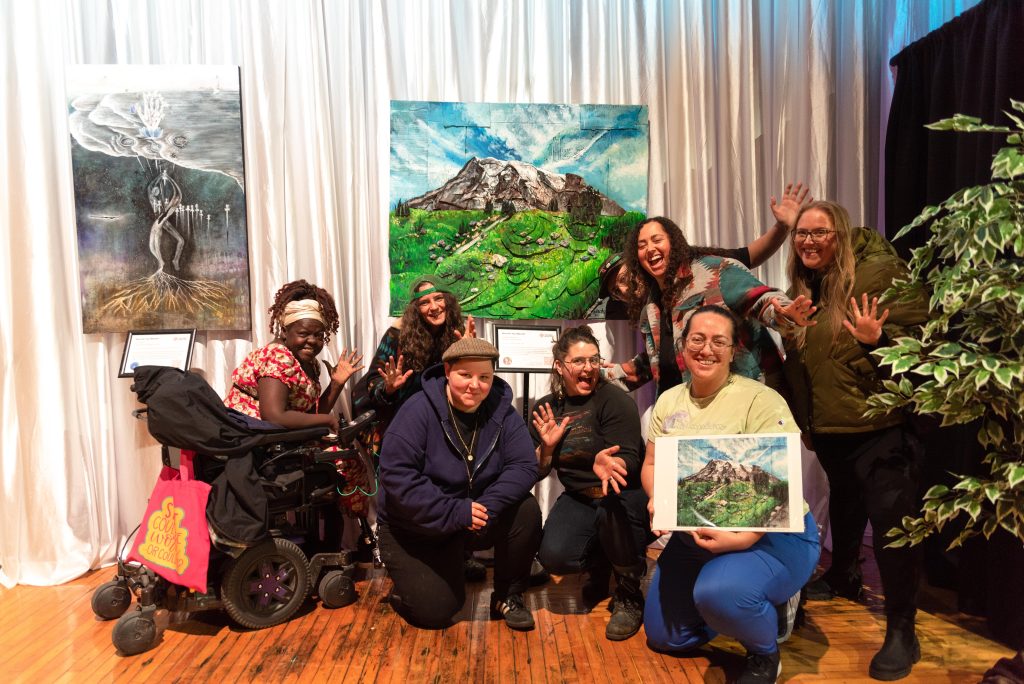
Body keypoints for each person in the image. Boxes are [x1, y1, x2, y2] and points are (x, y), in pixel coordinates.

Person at [780, 200, 929, 681]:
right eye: (801, 233)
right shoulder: (808, 285)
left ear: (839, 234)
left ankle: (903, 629)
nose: (807, 241)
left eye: (818, 232)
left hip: (879, 426)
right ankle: (844, 575)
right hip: (831, 426)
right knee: (844, 501)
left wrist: (876, 340)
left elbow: (923, 347)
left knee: (892, 526)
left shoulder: (880, 272)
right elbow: (807, 362)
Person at [642, 306, 820, 684]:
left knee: (720, 592)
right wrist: (658, 497)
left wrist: (742, 537)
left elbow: (782, 483)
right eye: (698, 339)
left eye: (718, 341)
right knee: (667, 637)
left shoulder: (759, 399)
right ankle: (734, 605)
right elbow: (653, 464)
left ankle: (763, 650)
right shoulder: (669, 401)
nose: (707, 349)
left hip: (775, 532)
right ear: (683, 346)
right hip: (698, 532)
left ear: (733, 349)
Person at [376, 337, 542, 631]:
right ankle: (414, 579)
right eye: (465, 375)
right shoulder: (417, 410)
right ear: (448, 370)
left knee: (525, 510)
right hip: (414, 529)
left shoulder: (501, 410)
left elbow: (524, 464)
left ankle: (508, 596)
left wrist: (485, 506)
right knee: (437, 612)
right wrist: (455, 511)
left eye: (484, 377)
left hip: (468, 518)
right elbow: (397, 476)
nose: (475, 385)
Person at [610, 183, 817, 397]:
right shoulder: (651, 309)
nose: (650, 249)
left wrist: (785, 313)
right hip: (686, 416)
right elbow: (659, 362)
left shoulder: (716, 270)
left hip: (744, 405)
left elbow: (762, 299)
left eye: (657, 240)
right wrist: (601, 373)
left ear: (675, 242)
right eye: (642, 246)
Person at [529, 325, 650, 640]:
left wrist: (612, 463)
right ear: (559, 366)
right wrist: (548, 449)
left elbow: (630, 457)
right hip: (580, 497)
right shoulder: (546, 409)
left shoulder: (614, 400)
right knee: (554, 556)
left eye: (594, 360)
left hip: (623, 495)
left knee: (614, 510)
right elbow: (538, 471)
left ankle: (629, 592)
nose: (588, 368)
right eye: (579, 361)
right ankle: (603, 565)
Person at [223, 279, 367, 514]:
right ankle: (357, 532)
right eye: (303, 334)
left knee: (349, 456)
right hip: (256, 444)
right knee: (347, 461)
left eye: (319, 336)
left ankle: (349, 532)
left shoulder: (309, 363)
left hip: (280, 440)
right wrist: (329, 421)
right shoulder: (278, 357)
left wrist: (337, 384)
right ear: (285, 330)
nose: (312, 341)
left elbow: (310, 415)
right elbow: (274, 415)